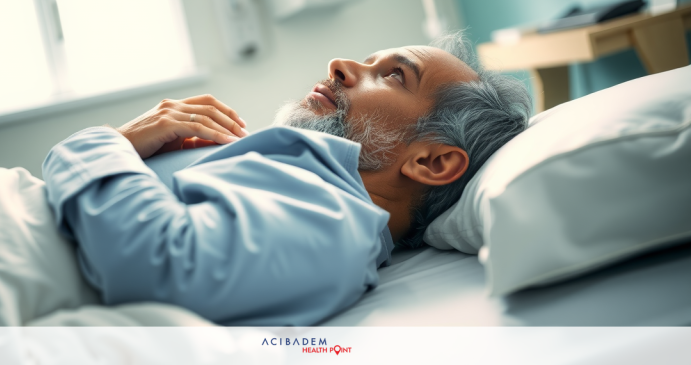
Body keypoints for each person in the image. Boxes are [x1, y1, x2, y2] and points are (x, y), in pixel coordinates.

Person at [42, 32, 531, 325]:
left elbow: (157, 262)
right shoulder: (309, 180)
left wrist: (105, 143)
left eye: (395, 75)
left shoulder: (333, 220)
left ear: (430, 163)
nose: (339, 65)